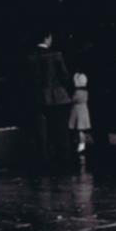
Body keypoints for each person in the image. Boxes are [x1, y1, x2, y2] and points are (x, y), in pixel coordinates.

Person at [24, 30, 74, 165]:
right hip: (58, 97)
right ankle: (64, 160)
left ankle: (44, 159)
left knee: (42, 132)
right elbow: (64, 76)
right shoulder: (56, 55)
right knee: (61, 131)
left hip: (38, 97)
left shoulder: (31, 57)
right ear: (47, 38)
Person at [68, 72, 92, 154]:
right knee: (80, 131)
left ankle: (81, 144)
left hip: (77, 112)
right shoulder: (85, 92)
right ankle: (81, 144)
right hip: (83, 112)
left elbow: (73, 100)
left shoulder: (77, 92)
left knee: (79, 131)